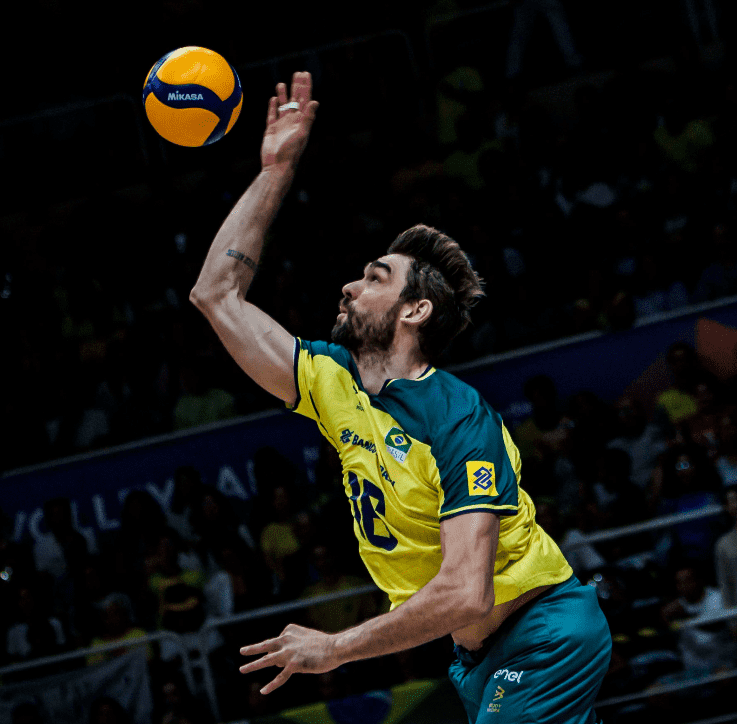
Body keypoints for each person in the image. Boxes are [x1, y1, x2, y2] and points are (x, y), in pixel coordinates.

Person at [189, 72, 609, 723]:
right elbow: (215, 295)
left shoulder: (460, 418)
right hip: (477, 658)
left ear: (414, 310)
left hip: (544, 633)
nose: (350, 287)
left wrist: (336, 646)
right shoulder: (331, 382)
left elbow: (467, 592)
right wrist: (276, 167)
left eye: (374, 277)